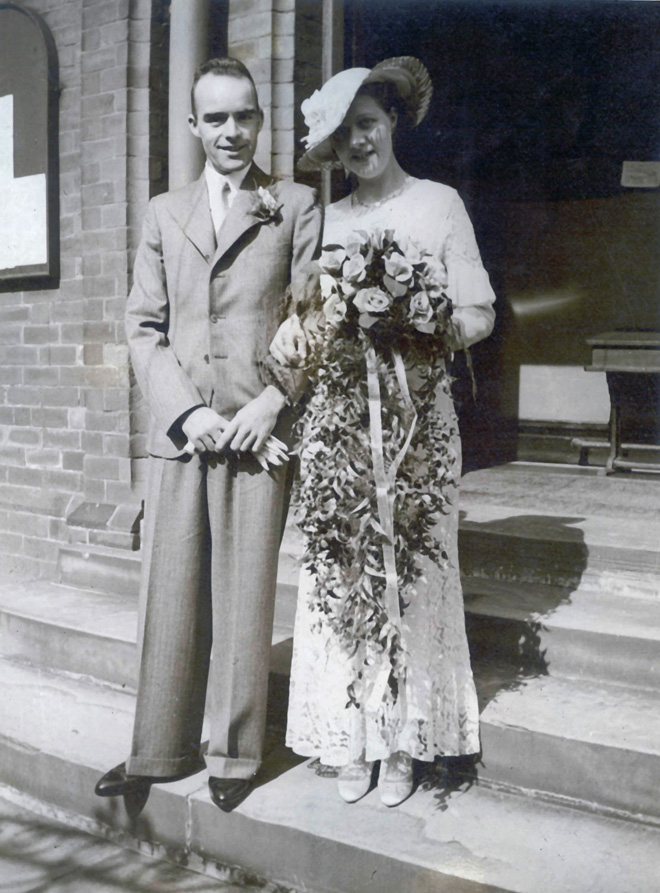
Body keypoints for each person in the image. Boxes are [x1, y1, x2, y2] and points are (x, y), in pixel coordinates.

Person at [94, 57, 322, 813]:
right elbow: (143, 326)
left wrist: (273, 402)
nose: (231, 130)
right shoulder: (165, 213)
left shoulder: (294, 205)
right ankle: (158, 748)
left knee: (244, 595)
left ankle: (233, 751)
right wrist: (187, 413)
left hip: (257, 436)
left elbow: (313, 319)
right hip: (184, 432)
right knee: (170, 595)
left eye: (243, 115)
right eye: (215, 117)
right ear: (194, 125)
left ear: (260, 120)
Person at [269, 58, 495, 807]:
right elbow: (307, 318)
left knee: (412, 569)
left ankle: (401, 738)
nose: (357, 144)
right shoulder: (325, 221)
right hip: (341, 428)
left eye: (366, 124)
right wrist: (299, 334)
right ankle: (351, 735)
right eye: (342, 137)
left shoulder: (439, 205)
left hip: (416, 421)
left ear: (392, 121)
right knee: (344, 567)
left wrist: (419, 321)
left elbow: (479, 313)